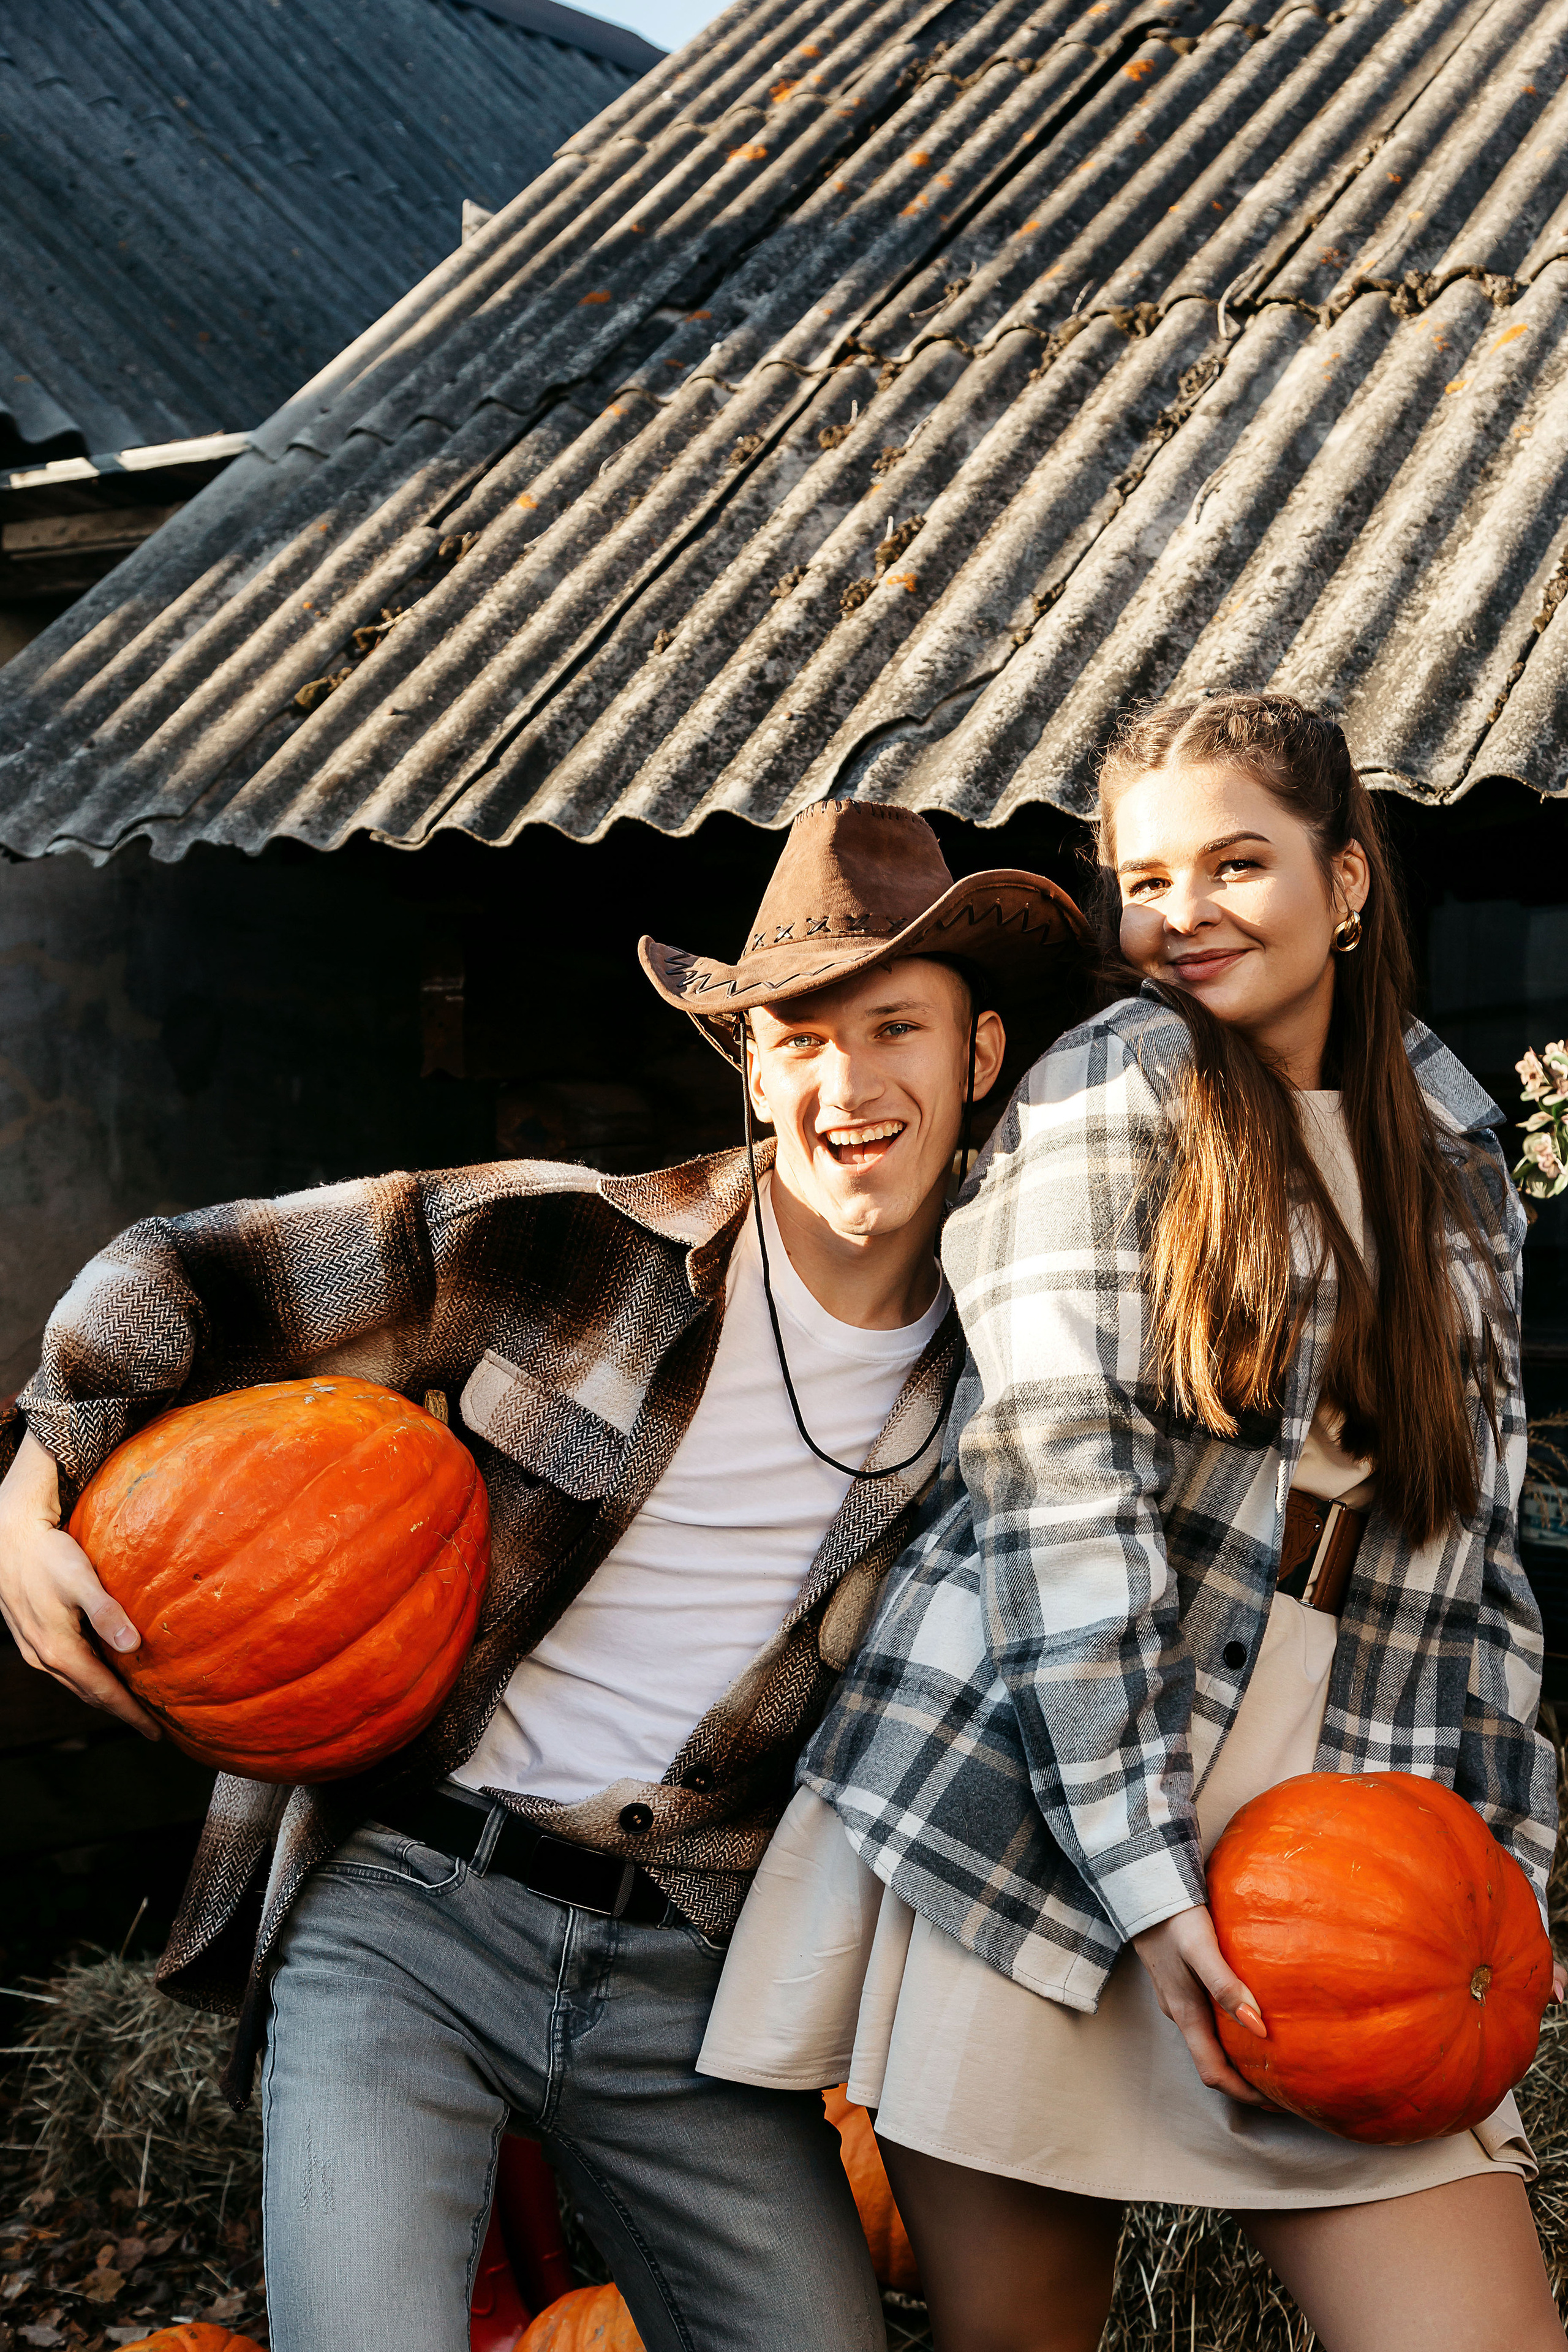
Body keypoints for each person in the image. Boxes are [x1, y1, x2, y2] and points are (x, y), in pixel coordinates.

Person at [0, 800, 1084, 2352]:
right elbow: (185, 1269)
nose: (849, 1081)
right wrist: (26, 1496)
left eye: (895, 1027)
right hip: (409, 1911)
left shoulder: (1010, 1371)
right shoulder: (567, 1249)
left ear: (975, 1059)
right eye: (801, 1034)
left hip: (684, 1980)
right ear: (753, 1065)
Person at [697, 693, 1566, 2352]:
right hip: (1058, 1788)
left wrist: (1506, 1877)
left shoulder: (1450, 1143)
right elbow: (1057, 1493)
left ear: (1350, 880)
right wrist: (1149, 1884)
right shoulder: (1111, 1092)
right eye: (1147, 878)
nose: (1185, 914)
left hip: (1340, 1796)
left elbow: (1484, 1561)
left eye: (1239, 863)